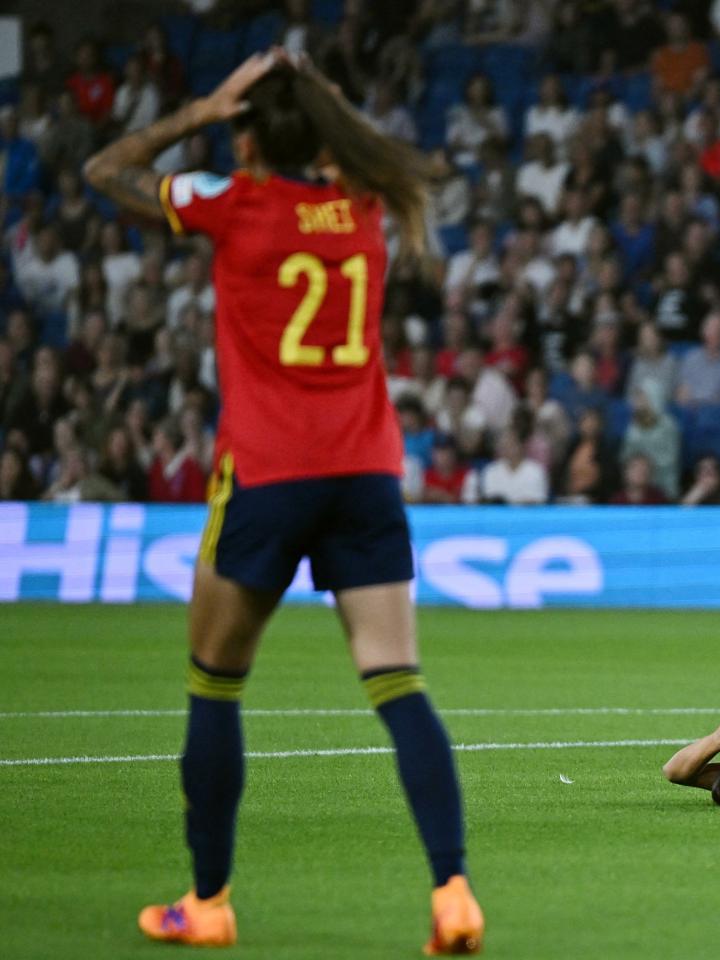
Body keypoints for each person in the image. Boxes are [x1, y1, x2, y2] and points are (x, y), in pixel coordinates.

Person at [81, 51, 482, 953]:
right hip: (367, 474)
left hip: (266, 474)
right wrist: (319, 96)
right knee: (399, 683)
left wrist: (201, 110)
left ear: (248, 135)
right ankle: (453, 891)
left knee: (213, 684)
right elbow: (364, 151)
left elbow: (102, 172)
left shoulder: (234, 203)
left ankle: (209, 903)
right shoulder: (370, 208)